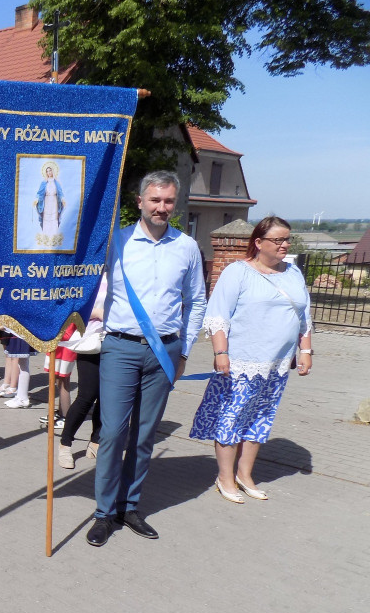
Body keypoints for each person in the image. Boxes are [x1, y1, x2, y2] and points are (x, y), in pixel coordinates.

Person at [87, 170, 206, 548]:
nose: (162, 207)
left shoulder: (186, 246)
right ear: (140, 201)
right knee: (112, 434)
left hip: (165, 351)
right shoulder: (116, 242)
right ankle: (104, 513)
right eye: (155, 200)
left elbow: (197, 300)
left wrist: (185, 350)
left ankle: (129, 506)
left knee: (142, 436)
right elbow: (81, 281)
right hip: (120, 347)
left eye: (169, 201)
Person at [189, 217, 312, 502]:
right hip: (242, 362)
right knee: (232, 418)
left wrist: (305, 350)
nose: (285, 245)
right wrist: (221, 353)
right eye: (278, 240)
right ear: (259, 243)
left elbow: (304, 316)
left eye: (287, 239)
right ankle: (225, 476)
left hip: (277, 363)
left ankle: (245, 474)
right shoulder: (238, 272)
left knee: (260, 418)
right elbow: (218, 315)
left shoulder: (293, 273)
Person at [57, 275, 107, 469]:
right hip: (91, 340)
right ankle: (65, 444)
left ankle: (96, 441)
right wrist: (99, 313)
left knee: (107, 395)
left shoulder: (124, 275)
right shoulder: (90, 274)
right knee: (87, 395)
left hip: (117, 341)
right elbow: (72, 306)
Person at [34, 163, 66, 246]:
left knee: (54, 218)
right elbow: (40, 193)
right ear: (45, 173)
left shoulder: (56, 182)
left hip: (54, 201)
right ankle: (46, 237)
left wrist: (62, 200)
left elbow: (60, 192)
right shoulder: (44, 182)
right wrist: (36, 200)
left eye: (50, 170)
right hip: (47, 201)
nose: (49, 172)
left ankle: (54, 238)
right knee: (47, 218)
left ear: (53, 171)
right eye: (47, 171)